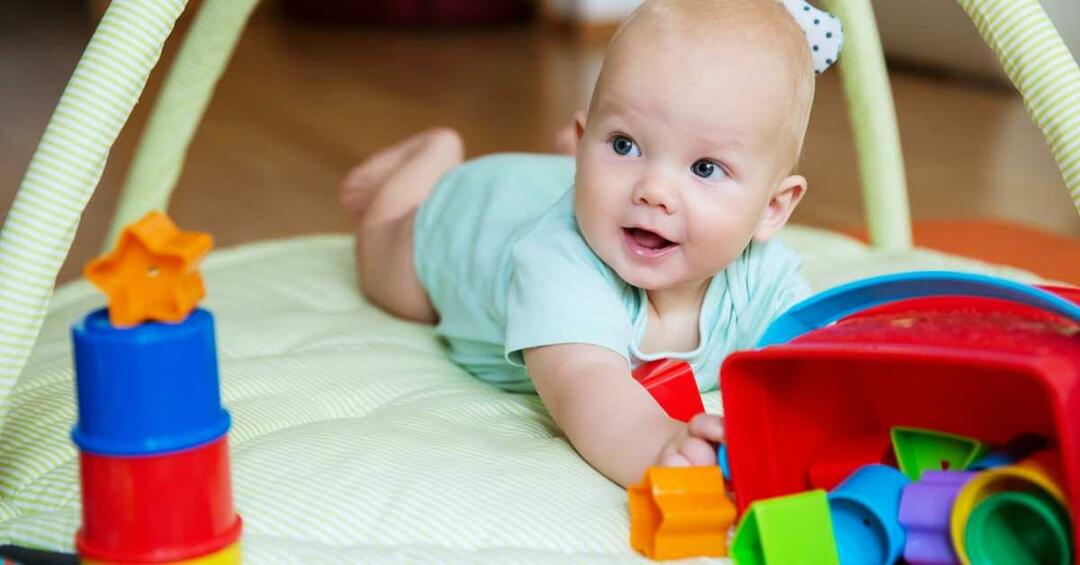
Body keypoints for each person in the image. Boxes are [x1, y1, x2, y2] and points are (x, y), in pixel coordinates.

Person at [340, 0, 842, 487]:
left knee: (608, 191)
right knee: (388, 277)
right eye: (624, 143)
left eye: (705, 168)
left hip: (560, 185)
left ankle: (584, 158)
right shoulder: (558, 264)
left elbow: (818, 361)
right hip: (467, 221)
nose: (655, 190)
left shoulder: (764, 278)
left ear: (773, 208)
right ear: (586, 141)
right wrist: (659, 448)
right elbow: (590, 392)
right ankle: (427, 158)